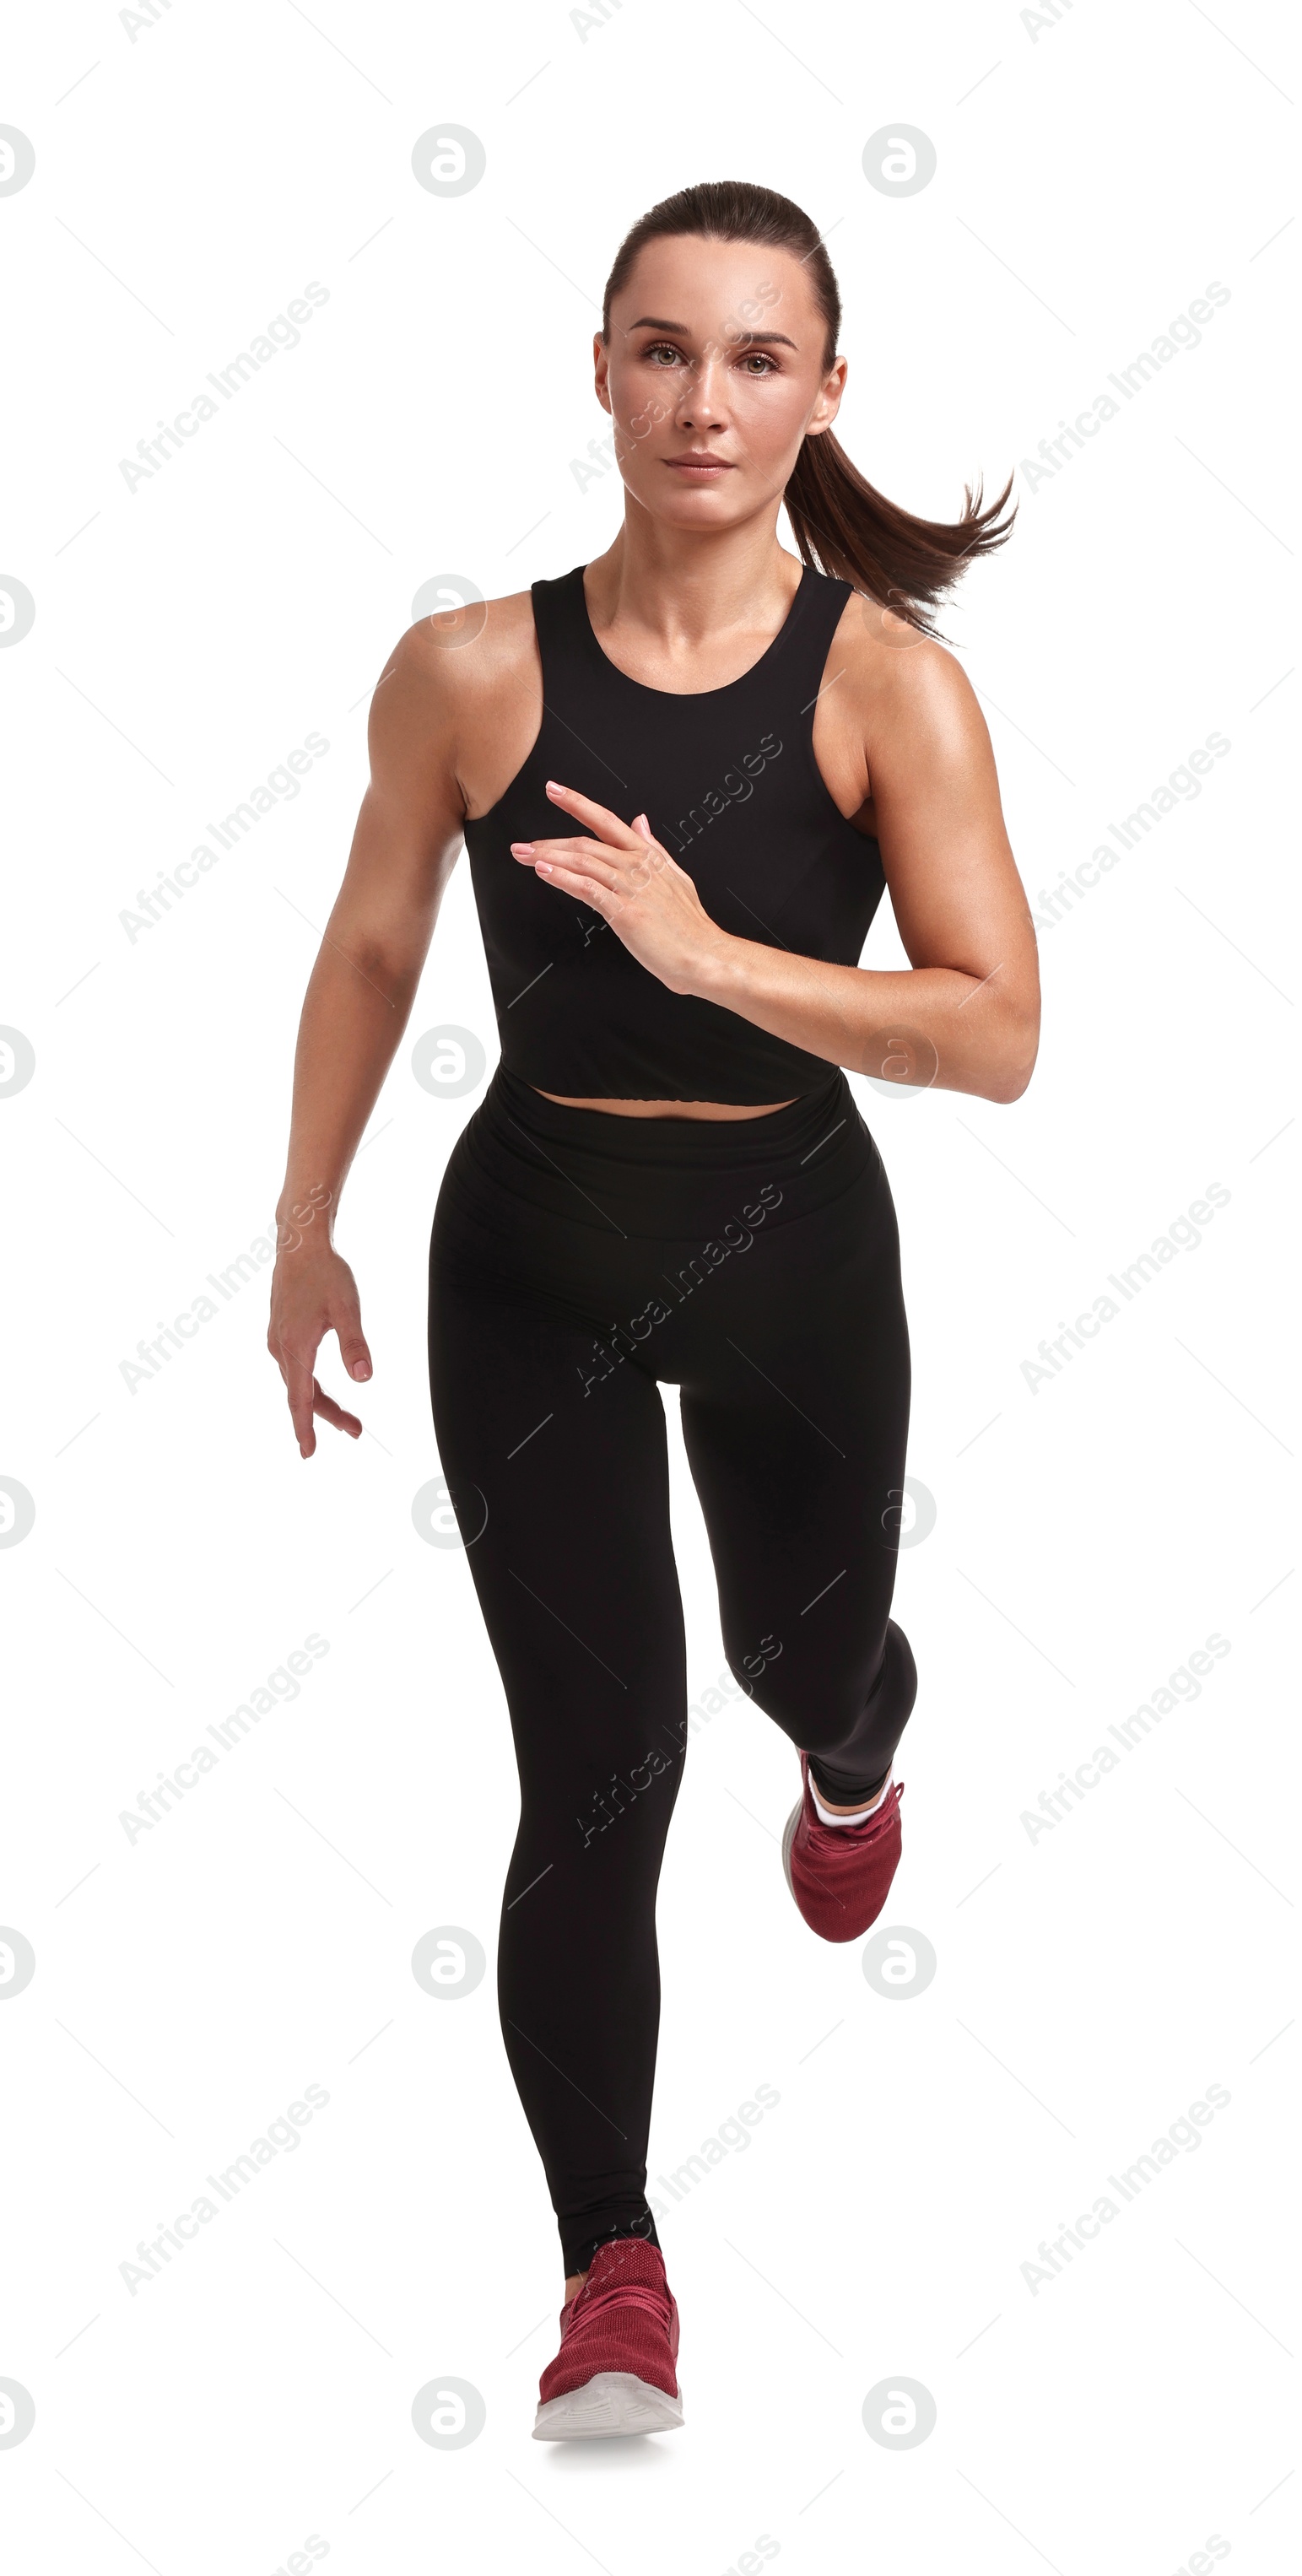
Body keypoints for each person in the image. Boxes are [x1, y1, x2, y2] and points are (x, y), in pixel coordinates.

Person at [268, 177, 1040, 2442]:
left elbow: (996, 1031)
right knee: (599, 1780)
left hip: (794, 1246)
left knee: (800, 1657)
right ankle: (611, 2263)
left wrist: (713, 958)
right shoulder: (470, 671)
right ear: (602, 369)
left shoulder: (890, 684)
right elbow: (375, 948)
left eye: (757, 357)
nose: (706, 398)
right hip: (536, 1265)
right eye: (664, 349)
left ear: (823, 393)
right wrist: (303, 1222)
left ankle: (858, 1754)